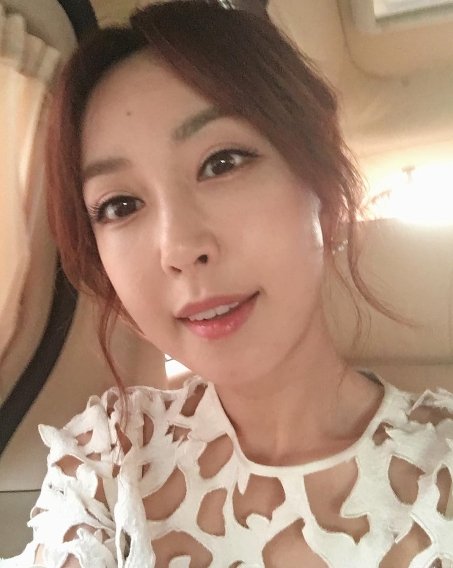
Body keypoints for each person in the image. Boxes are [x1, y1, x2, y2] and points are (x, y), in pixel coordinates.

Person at [2, 1, 453, 567]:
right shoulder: (107, 460)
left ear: (322, 191)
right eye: (121, 205)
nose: (179, 248)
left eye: (222, 162)